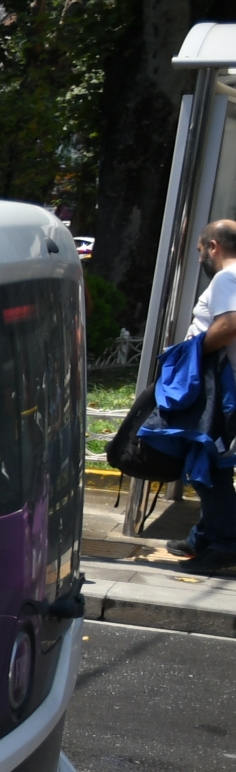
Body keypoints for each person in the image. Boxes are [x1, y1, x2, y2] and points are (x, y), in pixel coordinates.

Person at [173, 219, 236, 568]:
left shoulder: (227, 277)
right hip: (227, 384)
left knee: (211, 464)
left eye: (200, 251)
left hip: (224, 385)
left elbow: (228, 325)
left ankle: (225, 545)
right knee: (210, 461)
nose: (202, 259)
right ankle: (204, 536)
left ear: (213, 246)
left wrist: (191, 354)